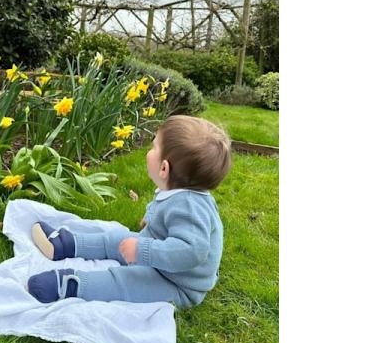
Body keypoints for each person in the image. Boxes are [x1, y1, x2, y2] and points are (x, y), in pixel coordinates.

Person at [26, 116, 232, 309]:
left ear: (164, 168)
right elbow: (165, 210)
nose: (148, 151)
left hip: (178, 283)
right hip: (164, 263)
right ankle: (66, 244)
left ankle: (71, 284)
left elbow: (191, 251)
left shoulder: (189, 205)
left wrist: (143, 250)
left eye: (154, 147)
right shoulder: (179, 191)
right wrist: (149, 221)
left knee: (127, 281)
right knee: (119, 239)